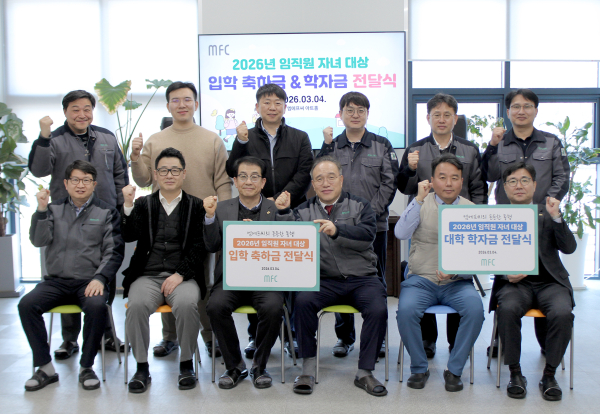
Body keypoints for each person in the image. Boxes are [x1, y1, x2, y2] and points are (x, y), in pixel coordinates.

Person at [130, 81, 231, 359]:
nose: (182, 105)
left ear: (196, 104)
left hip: (203, 221)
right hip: (165, 220)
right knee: (167, 275)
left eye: (187, 100)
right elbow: (143, 179)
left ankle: (210, 336)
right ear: (168, 106)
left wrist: (220, 219)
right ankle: (170, 337)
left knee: (204, 281)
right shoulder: (156, 140)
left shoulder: (212, 139)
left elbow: (222, 182)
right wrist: (135, 158)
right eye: (175, 100)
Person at [27, 89, 128, 358]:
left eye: (87, 109)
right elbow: (38, 170)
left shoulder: (106, 137)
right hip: (66, 215)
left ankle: (106, 335)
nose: (82, 114)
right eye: (75, 109)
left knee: (104, 275)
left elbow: (120, 173)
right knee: (67, 269)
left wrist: (121, 208)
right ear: (65, 112)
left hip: (104, 214)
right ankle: (69, 340)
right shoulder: (55, 139)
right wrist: (44, 136)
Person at [276, 156, 388, 397]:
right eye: (319, 179)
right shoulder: (302, 211)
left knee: (378, 308)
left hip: (361, 278)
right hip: (323, 279)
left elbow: (368, 235)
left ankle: (365, 371)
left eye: (331, 177)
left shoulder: (360, 205)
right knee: (303, 301)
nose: (325, 183)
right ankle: (307, 368)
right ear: (313, 184)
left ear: (341, 179)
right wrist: (283, 212)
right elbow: (288, 238)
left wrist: (338, 231)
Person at [18, 160, 124, 391]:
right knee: (26, 305)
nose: (80, 185)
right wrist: (41, 210)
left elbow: (114, 251)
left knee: (97, 306)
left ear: (94, 184)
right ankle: (45, 367)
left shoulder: (107, 211)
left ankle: (86, 366)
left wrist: (100, 278)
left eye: (86, 180)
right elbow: (38, 240)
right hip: (56, 281)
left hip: (90, 282)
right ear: (66, 184)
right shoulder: (53, 209)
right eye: (75, 180)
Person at [226, 83, 313, 359]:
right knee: (256, 274)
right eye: (266, 102)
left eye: (277, 102)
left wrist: (283, 197)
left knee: (291, 276)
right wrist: (240, 143)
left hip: (291, 212)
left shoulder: (299, 137)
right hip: (254, 212)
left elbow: (305, 172)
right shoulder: (246, 137)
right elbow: (232, 169)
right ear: (257, 107)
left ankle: (292, 335)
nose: (272, 107)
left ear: (285, 106)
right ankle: (255, 335)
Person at [481, 88, 570, 356]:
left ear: (535, 111)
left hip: (543, 221)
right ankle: (501, 340)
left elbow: (562, 176)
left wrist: (547, 206)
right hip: (507, 221)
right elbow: (489, 174)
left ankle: (547, 342)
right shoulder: (500, 142)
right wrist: (492, 146)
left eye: (527, 106)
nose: (522, 111)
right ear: (508, 112)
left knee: (544, 273)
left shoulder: (551, 142)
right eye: (516, 107)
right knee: (507, 280)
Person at [397, 93, 485, 358]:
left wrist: (477, 219)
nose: (442, 119)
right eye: (437, 115)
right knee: (425, 273)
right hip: (426, 223)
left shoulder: (470, 149)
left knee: (457, 277)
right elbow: (404, 187)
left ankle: (456, 342)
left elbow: (478, 187)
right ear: (428, 118)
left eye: (448, 115)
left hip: (462, 223)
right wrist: (410, 169)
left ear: (455, 119)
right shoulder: (415, 149)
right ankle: (427, 340)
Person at [395, 153, 484, 392]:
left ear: (462, 181)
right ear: (432, 180)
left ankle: (454, 370)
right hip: (421, 280)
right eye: (442, 177)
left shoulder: (471, 209)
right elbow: (400, 233)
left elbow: (479, 255)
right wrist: (418, 200)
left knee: (475, 310)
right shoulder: (421, 203)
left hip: (457, 284)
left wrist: (455, 273)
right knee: (405, 311)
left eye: (454, 178)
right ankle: (419, 367)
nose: (448, 183)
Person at [319, 91, 399, 358]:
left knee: (375, 280)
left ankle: (379, 338)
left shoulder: (382, 144)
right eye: (350, 110)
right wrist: (325, 145)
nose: (355, 115)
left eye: (360, 110)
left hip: (373, 227)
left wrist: (366, 216)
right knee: (340, 276)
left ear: (367, 114)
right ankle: (344, 337)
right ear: (340, 114)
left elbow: (389, 183)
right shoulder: (332, 146)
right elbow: (322, 179)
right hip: (337, 227)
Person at [121, 148, 207, 393]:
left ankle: (186, 364)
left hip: (183, 277)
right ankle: (141, 368)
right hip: (147, 275)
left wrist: (180, 274)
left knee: (188, 304)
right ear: (156, 174)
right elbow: (128, 235)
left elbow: (199, 246)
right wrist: (127, 205)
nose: (169, 175)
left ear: (184, 174)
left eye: (175, 170)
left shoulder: (196, 206)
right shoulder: (143, 204)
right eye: (164, 170)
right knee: (136, 306)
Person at [490, 163, 576, 401]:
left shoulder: (547, 212)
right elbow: (486, 256)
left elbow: (569, 248)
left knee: (563, 312)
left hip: (550, 283)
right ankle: (515, 373)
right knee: (507, 309)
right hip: (515, 285)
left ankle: (549, 375)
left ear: (535, 185)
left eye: (525, 180)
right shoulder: (496, 217)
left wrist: (556, 217)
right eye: (512, 181)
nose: (519, 186)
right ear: (504, 187)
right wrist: (505, 274)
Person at [204, 156, 284, 389]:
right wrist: (209, 217)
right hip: (231, 279)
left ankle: (259, 365)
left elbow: (285, 247)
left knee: (273, 307)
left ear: (263, 182)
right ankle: (235, 366)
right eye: (243, 176)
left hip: (266, 278)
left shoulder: (275, 209)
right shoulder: (220, 209)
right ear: (235, 181)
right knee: (215, 306)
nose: (249, 181)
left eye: (254, 177)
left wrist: (257, 235)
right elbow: (212, 246)